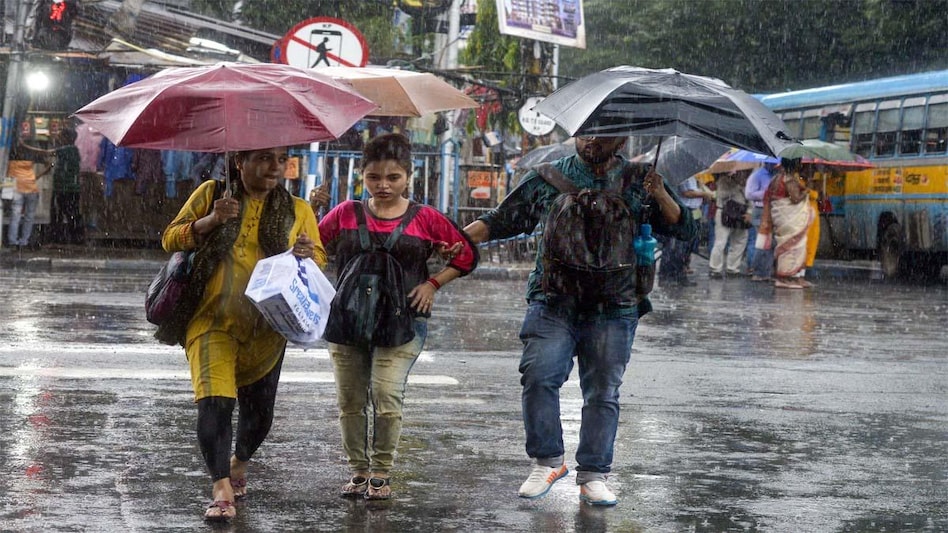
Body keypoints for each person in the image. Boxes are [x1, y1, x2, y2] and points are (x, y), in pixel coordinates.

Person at [462, 135, 695, 506]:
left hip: (615, 305)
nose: (591, 141)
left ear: (621, 138)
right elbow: (502, 220)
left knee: (603, 391)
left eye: (602, 134)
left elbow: (686, 232)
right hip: (553, 300)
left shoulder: (640, 180)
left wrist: (661, 195)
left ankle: (594, 475)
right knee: (539, 374)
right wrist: (456, 239)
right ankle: (548, 461)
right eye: (585, 132)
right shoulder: (548, 177)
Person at [159, 147, 326, 522]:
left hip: (268, 329)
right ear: (240, 161)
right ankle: (220, 488)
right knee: (215, 403)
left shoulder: (298, 209)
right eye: (264, 158)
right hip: (211, 320)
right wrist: (210, 221)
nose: (275, 167)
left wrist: (306, 252)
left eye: (281, 159)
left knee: (260, 416)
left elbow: (319, 258)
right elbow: (170, 238)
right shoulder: (211, 193)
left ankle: (239, 461)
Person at [316, 133, 477, 501]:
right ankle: (358, 470)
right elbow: (310, 248)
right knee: (350, 400)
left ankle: (381, 471)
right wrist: (311, 213)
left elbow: (466, 256)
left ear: (409, 176)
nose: (383, 185)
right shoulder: (344, 213)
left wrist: (433, 283)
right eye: (374, 177)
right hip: (347, 321)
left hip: (403, 322)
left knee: (386, 394)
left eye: (393, 177)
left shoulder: (427, 219)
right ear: (362, 176)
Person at [759, 158, 815, 289]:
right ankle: (785, 278)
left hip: (780, 216)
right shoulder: (788, 179)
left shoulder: (775, 179)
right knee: (793, 246)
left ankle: (792, 277)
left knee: (786, 245)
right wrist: (806, 192)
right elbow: (795, 199)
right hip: (790, 218)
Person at [20, 128, 83, 244]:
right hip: (68, 188)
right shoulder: (72, 151)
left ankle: (64, 237)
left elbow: (46, 153)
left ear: (67, 138)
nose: (58, 138)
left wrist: (25, 146)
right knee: (69, 213)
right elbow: (53, 164)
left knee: (61, 213)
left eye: (60, 136)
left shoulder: (67, 149)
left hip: (65, 188)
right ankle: (72, 237)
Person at [708, 170, 751, 278]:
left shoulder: (746, 182)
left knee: (740, 241)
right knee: (721, 242)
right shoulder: (724, 180)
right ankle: (715, 268)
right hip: (725, 212)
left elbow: (750, 199)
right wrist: (737, 186)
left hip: (741, 213)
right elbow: (721, 195)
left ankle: (732, 268)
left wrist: (750, 212)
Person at [6, 150, 48, 250]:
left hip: (17, 189)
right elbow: (49, 164)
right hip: (31, 188)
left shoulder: (10, 158)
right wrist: (36, 177)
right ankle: (24, 241)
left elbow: (7, 174)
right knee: (29, 216)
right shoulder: (31, 157)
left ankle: (12, 241)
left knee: (15, 216)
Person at [745, 163, 777, 281]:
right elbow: (748, 194)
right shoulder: (757, 175)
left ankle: (766, 272)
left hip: (772, 209)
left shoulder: (775, 176)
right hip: (760, 210)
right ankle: (757, 271)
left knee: (770, 243)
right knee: (761, 242)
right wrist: (766, 193)